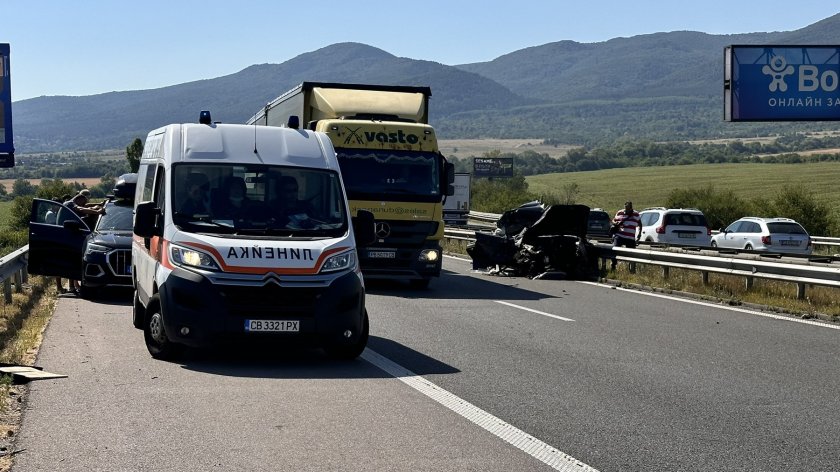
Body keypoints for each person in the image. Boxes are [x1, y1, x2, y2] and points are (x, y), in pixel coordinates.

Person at [611, 200, 641, 270]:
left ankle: (632, 269)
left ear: (631, 208)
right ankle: (613, 265)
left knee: (632, 254)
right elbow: (613, 220)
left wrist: (639, 234)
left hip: (630, 238)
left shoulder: (636, 214)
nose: (626, 210)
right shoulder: (620, 212)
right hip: (619, 235)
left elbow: (640, 224)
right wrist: (615, 223)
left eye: (627, 209)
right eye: (625, 208)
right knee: (615, 249)